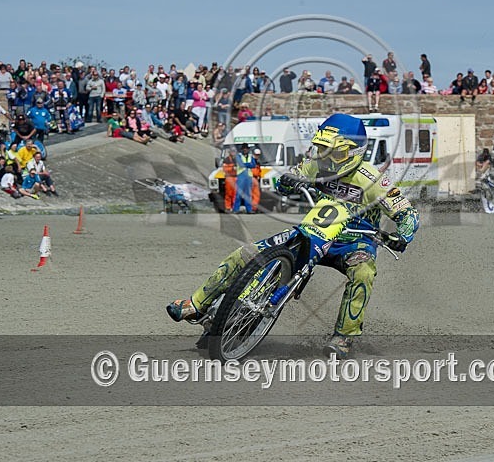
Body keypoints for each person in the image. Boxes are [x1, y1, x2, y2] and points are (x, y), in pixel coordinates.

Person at [167, 113, 419, 358]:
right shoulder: (316, 165)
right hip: (313, 232)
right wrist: (290, 181)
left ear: (354, 152)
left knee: (363, 273)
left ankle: (345, 336)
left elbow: (406, 212)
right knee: (247, 253)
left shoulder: (373, 179)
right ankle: (196, 305)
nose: (328, 159)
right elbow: (284, 181)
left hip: (354, 242)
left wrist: (402, 235)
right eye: (322, 150)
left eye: (336, 153)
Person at [232, 143, 256, 214]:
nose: (245, 150)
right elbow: (241, 164)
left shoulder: (251, 156)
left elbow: (253, 165)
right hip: (241, 176)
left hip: (248, 177)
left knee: (248, 194)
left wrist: (246, 165)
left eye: (246, 148)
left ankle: (249, 209)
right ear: (242, 149)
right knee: (238, 194)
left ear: (248, 149)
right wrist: (248, 164)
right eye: (244, 148)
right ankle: (236, 209)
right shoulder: (239, 156)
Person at [221, 147, 237, 212]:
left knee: (235, 194)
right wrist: (232, 168)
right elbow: (225, 169)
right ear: (229, 152)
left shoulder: (237, 160)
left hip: (236, 177)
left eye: (234, 151)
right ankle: (228, 207)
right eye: (232, 151)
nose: (233, 152)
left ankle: (234, 207)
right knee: (228, 193)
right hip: (229, 178)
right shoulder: (226, 160)